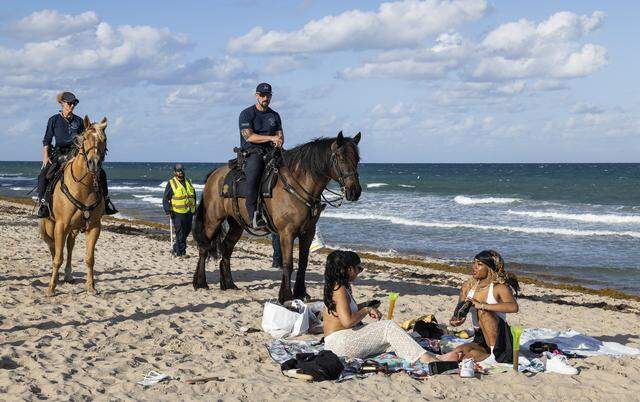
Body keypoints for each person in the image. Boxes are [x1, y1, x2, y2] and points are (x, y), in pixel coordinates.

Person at [322, 250, 457, 364]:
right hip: (339, 344)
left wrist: (366, 305)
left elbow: (344, 311)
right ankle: (427, 358)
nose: (359, 272)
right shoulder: (339, 290)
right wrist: (366, 309)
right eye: (359, 269)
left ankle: (429, 355)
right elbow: (347, 321)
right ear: (349, 269)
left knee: (394, 338)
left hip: (342, 340)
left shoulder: (341, 286)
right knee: (387, 327)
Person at [36, 91, 118, 218]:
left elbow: (85, 139)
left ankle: (106, 201)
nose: (72, 106)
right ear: (62, 103)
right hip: (59, 154)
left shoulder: (79, 121)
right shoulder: (54, 120)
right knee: (43, 175)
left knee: (101, 173)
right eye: (69, 103)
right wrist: (45, 157)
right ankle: (43, 204)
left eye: (74, 103)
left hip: (76, 153)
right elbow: (47, 140)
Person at [448, 250, 520, 364]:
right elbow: (457, 312)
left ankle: (496, 354)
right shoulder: (467, 287)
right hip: (480, 339)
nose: (474, 267)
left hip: (499, 339)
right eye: (473, 263)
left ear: (490, 268)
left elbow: (513, 307)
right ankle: (489, 356)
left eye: (479, 264)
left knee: (483, 311)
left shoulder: (499, 288)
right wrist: (456, 320)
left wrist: (482, 305)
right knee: (457, 353)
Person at [238, 82, 284, 229]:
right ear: (256, 95)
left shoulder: (274, 115)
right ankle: (253, 215)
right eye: (262, 95)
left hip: (272, 152)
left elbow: (280, 136)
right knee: (255, 173)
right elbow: (249, 137)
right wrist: (271, 139)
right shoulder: (246, 114)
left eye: (268, 95)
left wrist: (279, 142)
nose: (265, 98)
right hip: (253, 152)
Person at [162, 163, 196, 257]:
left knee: (187, 231)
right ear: (175, 172)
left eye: (182, 170)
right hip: (177, 212)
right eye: (178, 171)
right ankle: (181, 252)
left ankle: (176, 247)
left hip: (189, 211)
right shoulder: (171, 183)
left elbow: (193, 195)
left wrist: (195, 209)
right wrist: (167, 211)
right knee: (180, 232)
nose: (180, 172)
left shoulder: (188, 181)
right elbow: (165, 198)